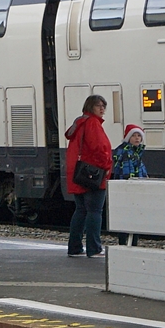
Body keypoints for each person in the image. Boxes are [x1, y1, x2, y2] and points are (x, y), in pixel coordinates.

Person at [65, 94, 113, 258]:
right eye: (98, 106)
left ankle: (75, 247)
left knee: (81, 210)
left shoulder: (79, 124)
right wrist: (106, 167)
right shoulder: (92, 123)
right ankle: (94, 248)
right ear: (90, 107)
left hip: (78, 173)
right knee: (95, 211)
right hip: (92, 174)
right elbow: (99, 148)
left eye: (103, 106)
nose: (102, 109)